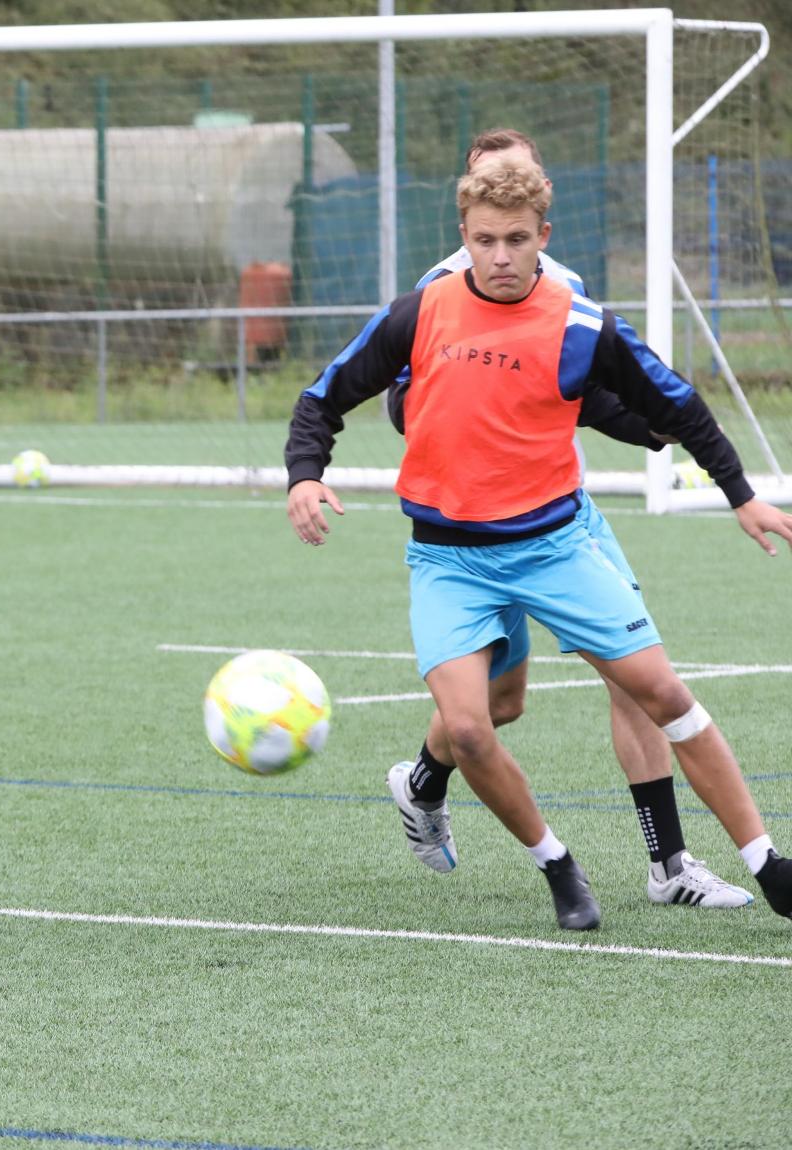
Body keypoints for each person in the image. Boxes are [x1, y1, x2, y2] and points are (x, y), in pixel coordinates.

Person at [285, 159, 792, 931]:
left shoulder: (583, 323)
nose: (499, 256)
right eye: (484, 240)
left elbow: (679, 406)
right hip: (448, 560)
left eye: (515, 240)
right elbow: (325, 396)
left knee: (662, 694)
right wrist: (304, 476)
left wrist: (742, 495)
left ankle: (769, 865)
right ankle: (558, 867)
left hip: (555, 548)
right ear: (464, 237)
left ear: (542, 238)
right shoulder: (420, 311)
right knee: (471, 726)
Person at [384, 128, 753, 910]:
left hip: (562, 520)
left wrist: (645, 426)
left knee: (635, 677)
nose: (504, 226)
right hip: (467, 532)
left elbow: (581, 394)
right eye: (490, 184)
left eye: (522, 181)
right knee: (498, 707)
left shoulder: (564, 288)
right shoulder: (436, 295)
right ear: (468, 204)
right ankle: (424, 780)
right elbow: (402, 403)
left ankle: (670, 864)